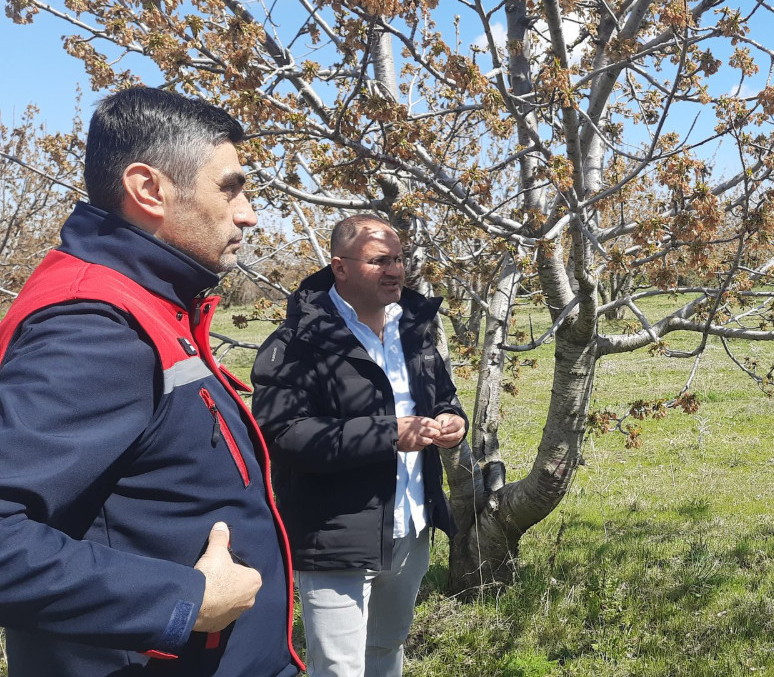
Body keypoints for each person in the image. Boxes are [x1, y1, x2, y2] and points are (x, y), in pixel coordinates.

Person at [0, 87, 302, 676]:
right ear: (149, 190)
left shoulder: (153, 305)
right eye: (230, 187)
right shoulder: (95, 325)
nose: (249, 212)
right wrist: (184, 601)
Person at [251, 214, 467, 677]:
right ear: (340, 267)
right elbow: (283, 435)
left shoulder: (414, 327)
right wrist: (389, 435)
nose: (395, 270)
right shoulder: (300, 340)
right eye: (378, 260)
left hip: (411, 524)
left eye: (399, 259)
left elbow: (442, 396)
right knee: (339, 667)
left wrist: (454, 421)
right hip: (336, 533)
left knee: (387, 651)